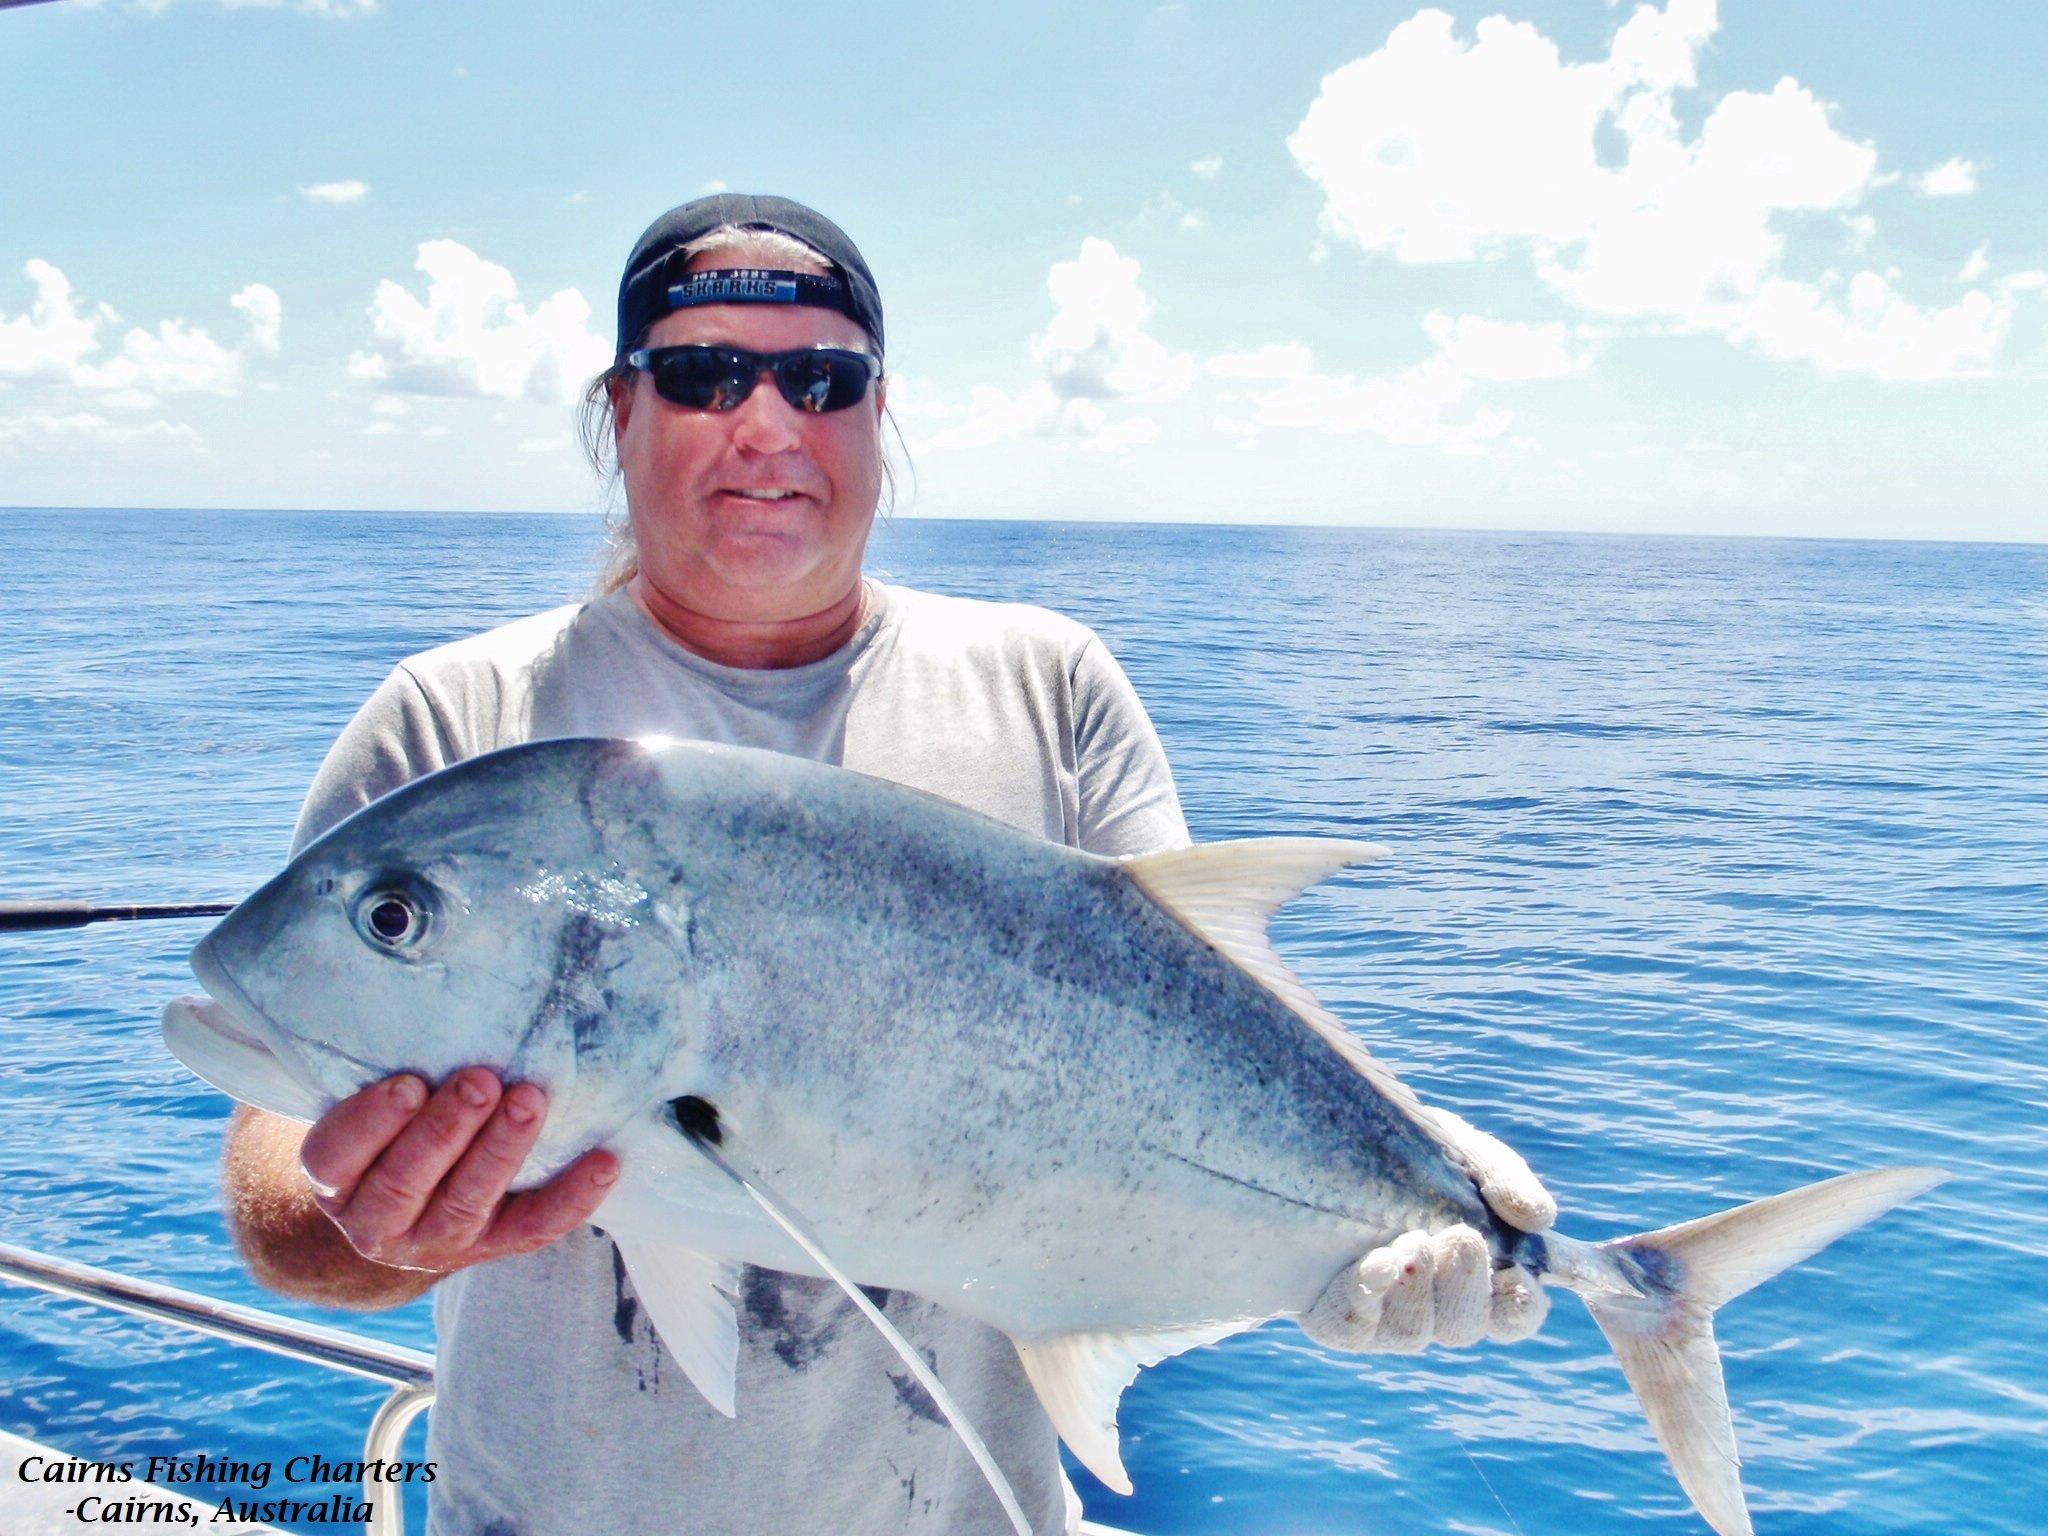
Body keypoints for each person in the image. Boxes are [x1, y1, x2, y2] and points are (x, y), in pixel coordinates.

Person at [220, 193, 1555, 1536]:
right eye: (700, 376)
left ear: (877, 416)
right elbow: (277, 1199)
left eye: (819, 380)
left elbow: (1219, 1020)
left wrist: (1406, 1183)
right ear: (618, 416)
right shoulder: (451, 727)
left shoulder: (1051, 691)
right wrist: (367, 1218)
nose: (765, 424)